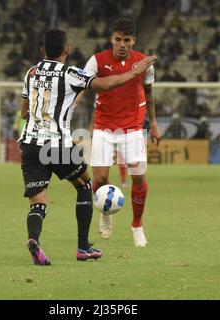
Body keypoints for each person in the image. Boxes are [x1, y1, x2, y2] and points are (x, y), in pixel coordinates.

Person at [19, 29, 156, 265]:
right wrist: (134, 72)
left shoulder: (30, 73)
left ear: (42, 50)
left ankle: (34, 239)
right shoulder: (70, 73)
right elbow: (105, 85)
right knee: (85, 185)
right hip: (57, 145)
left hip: (30, 145)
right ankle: (83, 247)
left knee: (38, 202)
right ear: (66, 49)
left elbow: (23, 112)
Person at [80, 18, 162, 247]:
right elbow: (84, 86)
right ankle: (105, 212)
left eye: (127, 40)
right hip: (104, 127)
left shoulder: (144, 64)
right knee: (100, 178)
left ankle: (137, 226)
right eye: (118, 39)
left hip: (133, 128)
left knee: (138, 176)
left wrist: (153, 122)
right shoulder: (97, 61)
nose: (122, 44)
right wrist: (77, 100)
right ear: (111, 39)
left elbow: (149, 94)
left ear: (134, 40)